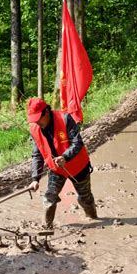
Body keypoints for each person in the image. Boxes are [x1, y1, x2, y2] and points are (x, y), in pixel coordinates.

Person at [27, 97, 97, 229]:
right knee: (49, 197)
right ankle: (46, 228)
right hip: (56, 169)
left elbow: (77, 142)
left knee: (85, 197)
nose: (37, 123)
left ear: (46, 112)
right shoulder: (35, 128)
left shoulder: (65, 119)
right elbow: (37, 154)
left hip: (78, 166)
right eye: (34, 120)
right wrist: (35, 178)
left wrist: (65, 157)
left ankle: (93, 218)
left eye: (38, 119)